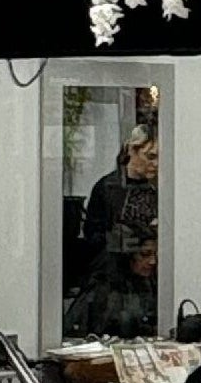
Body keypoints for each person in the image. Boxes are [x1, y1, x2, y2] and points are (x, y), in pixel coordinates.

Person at [68, 131, 161, 338]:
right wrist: (120, 240)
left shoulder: (158, 190)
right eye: (150, 156)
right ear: (132, 151)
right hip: (111, 280)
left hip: (148, 278)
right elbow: (92, 237)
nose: (155, 164)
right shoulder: (107, 188)